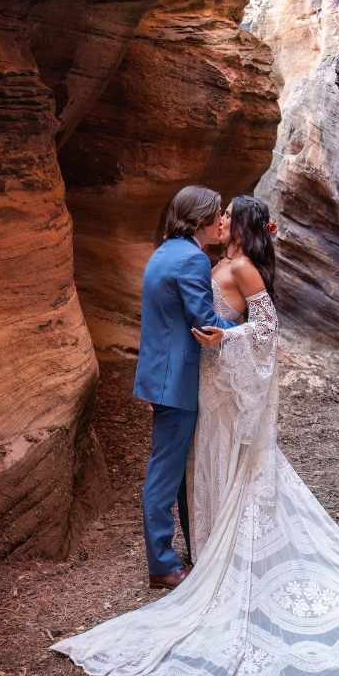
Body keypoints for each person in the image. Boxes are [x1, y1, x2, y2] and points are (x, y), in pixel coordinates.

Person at [52, 195, 339, 676]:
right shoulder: (209, 260)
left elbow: (266, 327)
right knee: (203, 463)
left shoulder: (232, 267)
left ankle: (214, 553)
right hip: (202, 382)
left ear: (240, 225)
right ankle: (205, 548)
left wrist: (228, 337)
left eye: (228, 215)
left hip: (213, 381)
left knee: (227, 462)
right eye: (218, 214)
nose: (222, 220)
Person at [131, 185, 239, 590]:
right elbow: (204, 321)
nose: (219, 221)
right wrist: (248, 333)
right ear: (199, 219)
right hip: (176, 379)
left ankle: (192, 547)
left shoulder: (165, 252)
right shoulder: (192, 258)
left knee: (178, 471)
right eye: (215, 214)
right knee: (165, 474)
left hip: (162, 374)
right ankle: (161, 564)